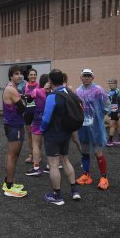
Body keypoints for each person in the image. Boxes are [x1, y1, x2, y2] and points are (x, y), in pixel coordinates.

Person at [40, 70, 81, 205]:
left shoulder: (52, 96)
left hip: (53, 134)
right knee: (65, 160)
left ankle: (57, 196)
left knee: (53, 164)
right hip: (66, 133)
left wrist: (41, 129)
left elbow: (46, 118)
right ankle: (74, 190)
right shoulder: (69, 92)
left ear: (50, 81)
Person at [75, 69, 110, 190]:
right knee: (84, 151)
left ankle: (104, 178)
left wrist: (99, 118)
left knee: (97, 152)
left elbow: (107, 105)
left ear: (92, 77)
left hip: (95, 127)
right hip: (83, 126)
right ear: (81, 77)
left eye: (88, 76)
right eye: (84, 76)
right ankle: (86, 175)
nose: (86, 78)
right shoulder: (78, 91)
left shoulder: (98, 90)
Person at [1, 65, 28, 197]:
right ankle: (9, 187)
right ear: (11, 76)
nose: (20, 76)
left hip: (14, 124)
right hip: (14, 125)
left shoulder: (12, 88)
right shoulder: (11, 89)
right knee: (12, 155)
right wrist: (24, 100)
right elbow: (23, 108)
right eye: (16, 74)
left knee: (13, 155)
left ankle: (8, 182)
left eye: (21, 74)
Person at [25, 74, 48, 176]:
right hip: (49, 119)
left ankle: (36, 167)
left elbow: (29, 100)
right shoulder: (53, 91)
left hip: (38, 118)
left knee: (35, 144)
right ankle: (49, 166)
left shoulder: (37, 91)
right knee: (49, 144)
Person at [23, 69, 39, 164]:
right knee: (29, 135)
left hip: (37, 113)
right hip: (28, 113)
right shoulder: (24, 86)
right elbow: (22, 100)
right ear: (28, 76)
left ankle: (38, 155)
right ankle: (31, 155)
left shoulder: (39, 85)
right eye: (31, 74)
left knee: (37, 136)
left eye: (34, 74)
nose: (33, 76)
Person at [106, 78, 120, 146]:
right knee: (117, 124)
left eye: (112, 83)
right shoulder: (109, 92)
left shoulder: (119, 92)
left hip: (117, 110)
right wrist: (109, 111)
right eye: (109, 83)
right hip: (113, 110)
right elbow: (109, 103)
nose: (110, 85)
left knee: (112, 125)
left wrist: (119, 112)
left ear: (115, 84)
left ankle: (110, 141)